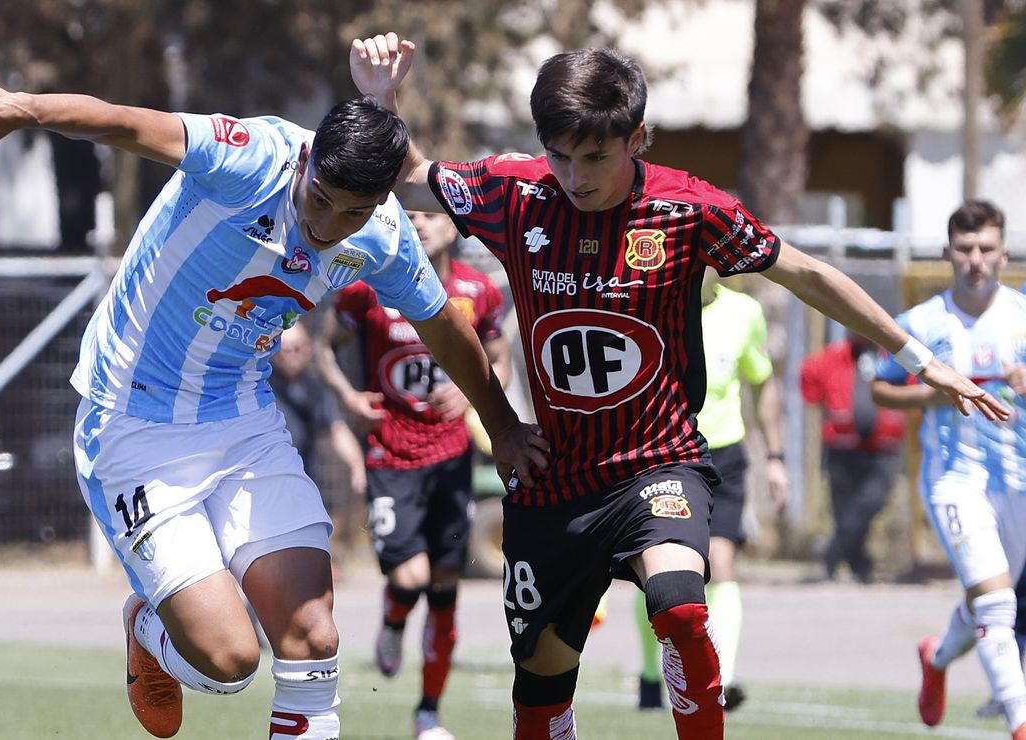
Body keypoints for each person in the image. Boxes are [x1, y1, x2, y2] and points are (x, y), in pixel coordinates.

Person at [350, 32, 1008, 740]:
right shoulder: (515, 192)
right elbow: (411, 175)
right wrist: (379, 97)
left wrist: (919, 358)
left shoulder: (688, 209)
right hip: (553, 483)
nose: (574, 175)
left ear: (638, 139)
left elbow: (809, 274)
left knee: (681, 607)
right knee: (539, 704)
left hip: (655, 464)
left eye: (595, 156)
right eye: (560, 155)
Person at [0, 80, 548, 740]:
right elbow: (124, 121)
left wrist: (504, 427)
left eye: (353, 214)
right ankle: (146, 628)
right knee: (228, 662)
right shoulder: (249, 156)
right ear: (305, 163)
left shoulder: (387, 236)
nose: (328, 226)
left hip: (243, 420)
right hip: (133, 423)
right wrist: (24, 109)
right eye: (321, 200)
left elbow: (443, 326)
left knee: (313, 637)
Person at [315, 209, 509, 739]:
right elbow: (323, 348)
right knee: (411, 577)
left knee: (446, 586)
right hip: (390, 457)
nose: (422, 222)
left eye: (432, 214)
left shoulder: (478, 292)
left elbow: (501, 360)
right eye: (412, 214)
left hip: (451, 458)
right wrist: (348, 396)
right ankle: (394, 620)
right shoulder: (368, 287)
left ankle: (428, 712)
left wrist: (476, 386)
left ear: (455, 227)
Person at [872, 199, 1026, 739]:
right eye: (965, 249)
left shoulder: (1023, 317)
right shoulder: (921, 323)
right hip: (955, 483)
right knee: (998, 603)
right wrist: (936, 395)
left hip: (1020, 485)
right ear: (947, 254)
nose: (976, 260)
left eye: (986, 248)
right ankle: (1019, 721)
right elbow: (880, 387)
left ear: (1004, 253)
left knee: (987, 603)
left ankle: (936, 657)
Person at [632, 270, 788, 713]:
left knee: (720, 564)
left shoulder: (745, 313)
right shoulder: (649, 305)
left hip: (723, 457)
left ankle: (723, 680)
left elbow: (762, 382)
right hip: (663, 453)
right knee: (658, 577)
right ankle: (650, 676)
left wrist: (775, 458)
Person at [800, 330, 906, 583]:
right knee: (843, 510)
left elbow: (915, 381)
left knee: (870, 503)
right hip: (842, 447)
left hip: (883, 449)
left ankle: (832, 553)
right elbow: (808, 379)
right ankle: (860, 565)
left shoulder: (893, 358)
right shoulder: (833, 356)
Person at [269, 321, 368, 572]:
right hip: (267, 486)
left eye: (297, 349)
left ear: (309, 349)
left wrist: (357, 466)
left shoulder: (315, 389)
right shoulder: (260, 385)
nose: (291, 356)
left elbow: (336, 429)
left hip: (302, 488)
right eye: (285, 349)